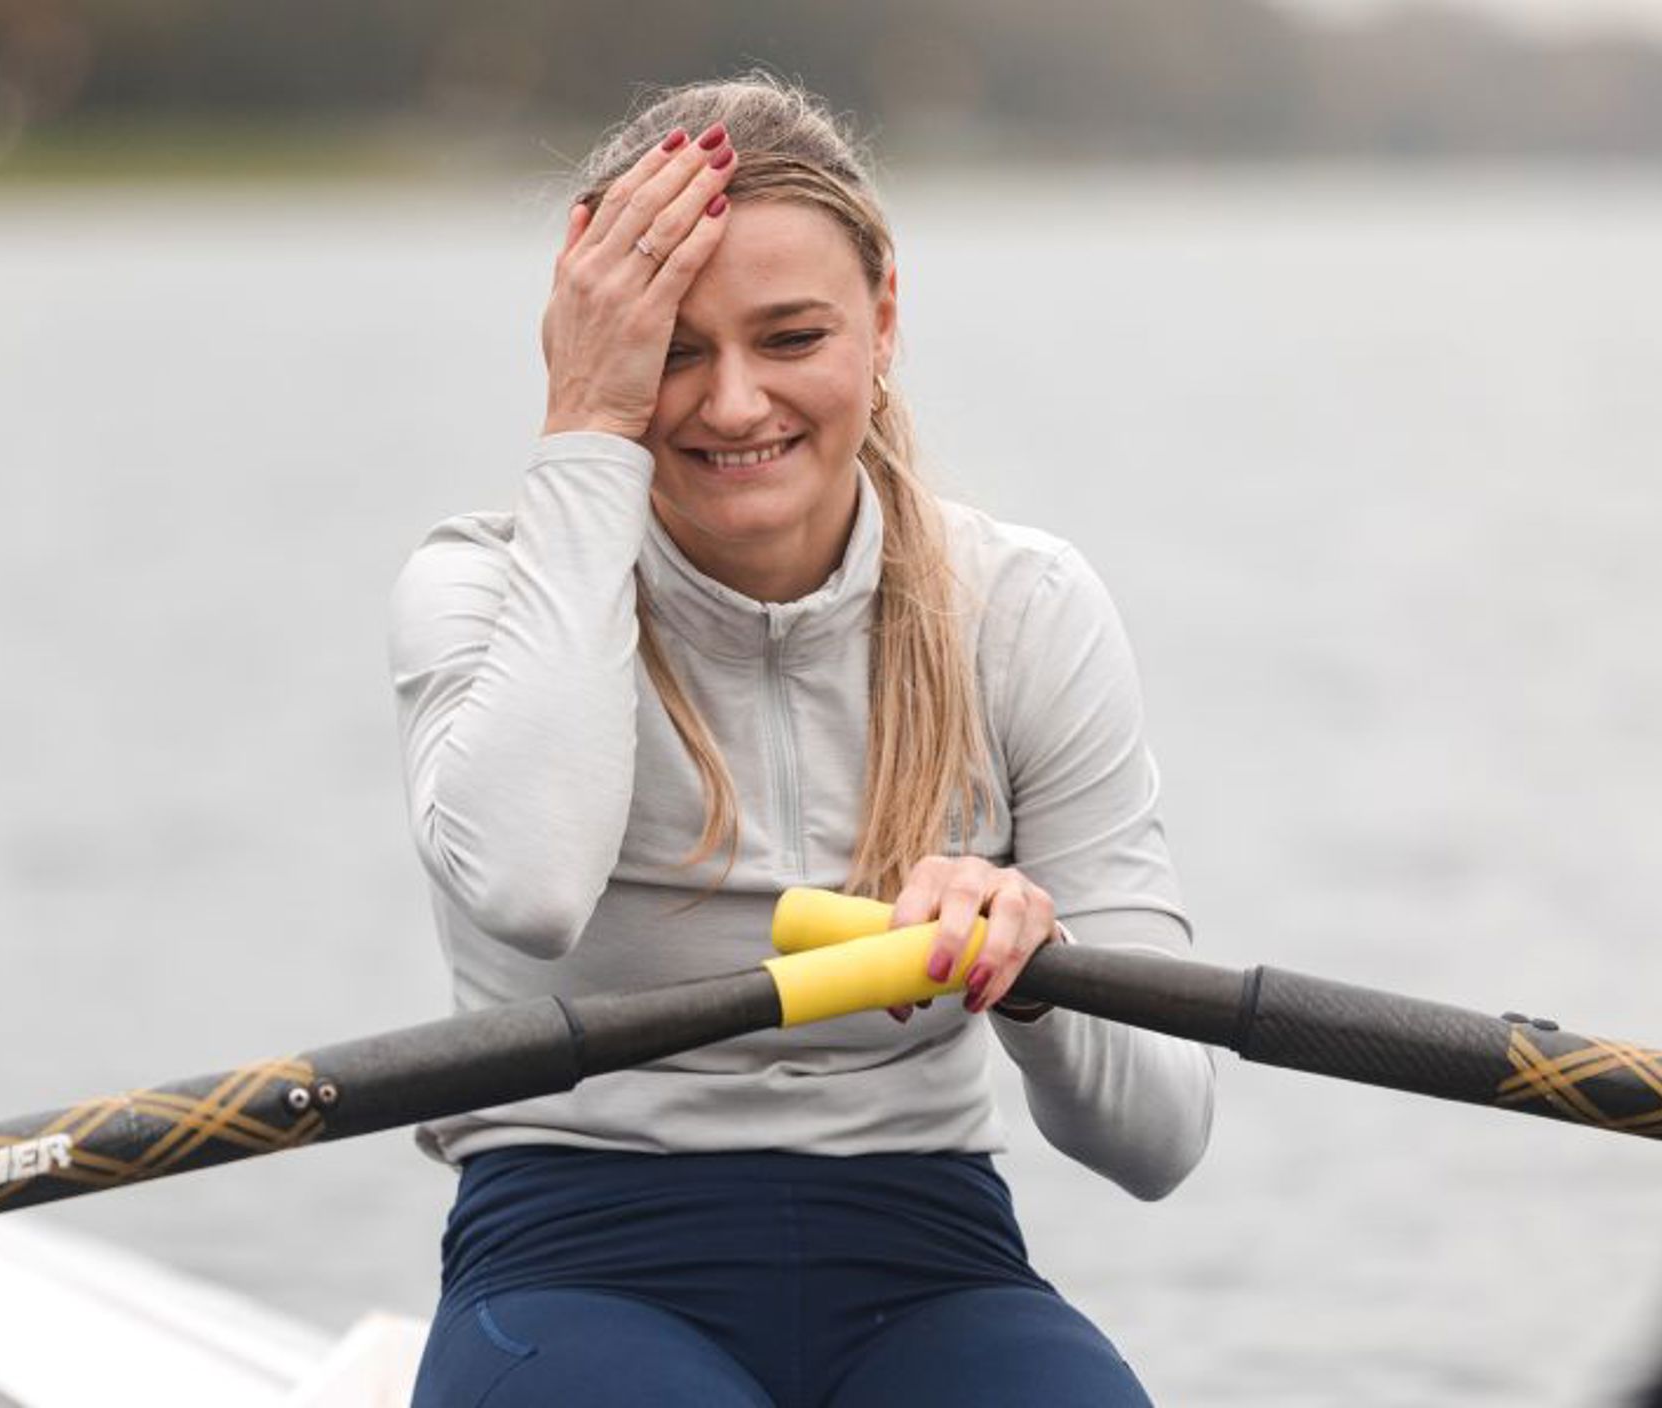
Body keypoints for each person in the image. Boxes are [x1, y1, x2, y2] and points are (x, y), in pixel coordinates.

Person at [388, 72, 1214, 1408]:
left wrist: (1037, 963)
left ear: (883, 319)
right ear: (589, 340)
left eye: (789, 338)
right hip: (578, 1252)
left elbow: (1162, 1135)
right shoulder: (479, 591)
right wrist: (586, 431)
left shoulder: (1022, 609)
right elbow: (533, 894)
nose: (730, 406)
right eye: (667, 346)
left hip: (931, 1261)